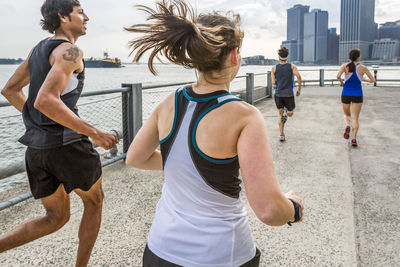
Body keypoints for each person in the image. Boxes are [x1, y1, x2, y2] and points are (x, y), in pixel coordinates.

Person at [125, 1, 304, 266]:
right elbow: (268, 210)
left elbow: (135, 158)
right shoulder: (244, 115)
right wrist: (294, 208)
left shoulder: (169, 102)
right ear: (234, 57)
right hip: (221, 255)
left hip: (159, 251)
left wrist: (187, 165)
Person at [0, 0, 118, 266]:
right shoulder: (71, 51)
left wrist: (39, 124)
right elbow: (44, 100)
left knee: (56, 218)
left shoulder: (39, 49)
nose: (86, 17)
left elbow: (10, 90)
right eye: (80, 12)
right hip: (67, 148)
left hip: (37, 151)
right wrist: (96, 133)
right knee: (95, 202)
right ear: (63, 17)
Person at [336, 49, 376, 147]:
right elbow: (373, 80)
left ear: (350, 57)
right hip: (358, 94)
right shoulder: (363, 68)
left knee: (346, 114)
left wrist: (342, 83)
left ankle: (347, 125)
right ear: (359, 57)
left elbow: (338, 76)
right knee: (355, 118)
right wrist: (363, 79)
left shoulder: (344, 66)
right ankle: (354, 139)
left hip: (346, 93)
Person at [271, 47, 302, 142]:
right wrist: (299, 90)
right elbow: (299, 77)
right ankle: (287, 114)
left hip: (278, 94)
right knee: (290, 113)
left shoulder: (274, 68)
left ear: (278, 57)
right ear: (287, 56)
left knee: (280, 115)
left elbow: (273, 82)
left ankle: (281, 134)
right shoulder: (292, 66)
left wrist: (279, 81)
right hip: (288, 95)